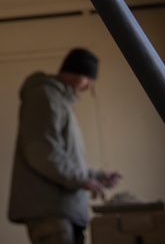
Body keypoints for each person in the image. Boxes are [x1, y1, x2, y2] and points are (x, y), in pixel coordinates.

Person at [8, 48, 122, 244]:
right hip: (51, 212)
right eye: (88, 78)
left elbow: (60, 156)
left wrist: (95, 176)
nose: (89, 86)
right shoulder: (44, 96)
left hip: (59, 211)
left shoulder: (58, 100)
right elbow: (41, 152)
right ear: (74, 72)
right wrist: (80, 179)